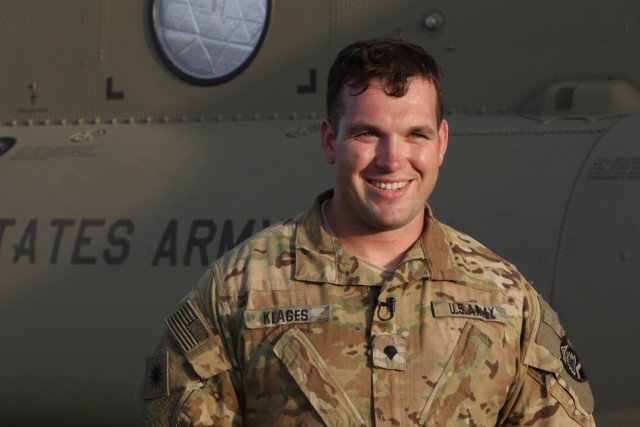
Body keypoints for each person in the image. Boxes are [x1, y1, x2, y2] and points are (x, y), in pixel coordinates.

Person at [135, 38, 595, 426]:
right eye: (367, 134)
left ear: (442, 143)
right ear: (330, 141)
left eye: (416, 134)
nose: (393, 160)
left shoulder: (505, 299)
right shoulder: (239, 291)